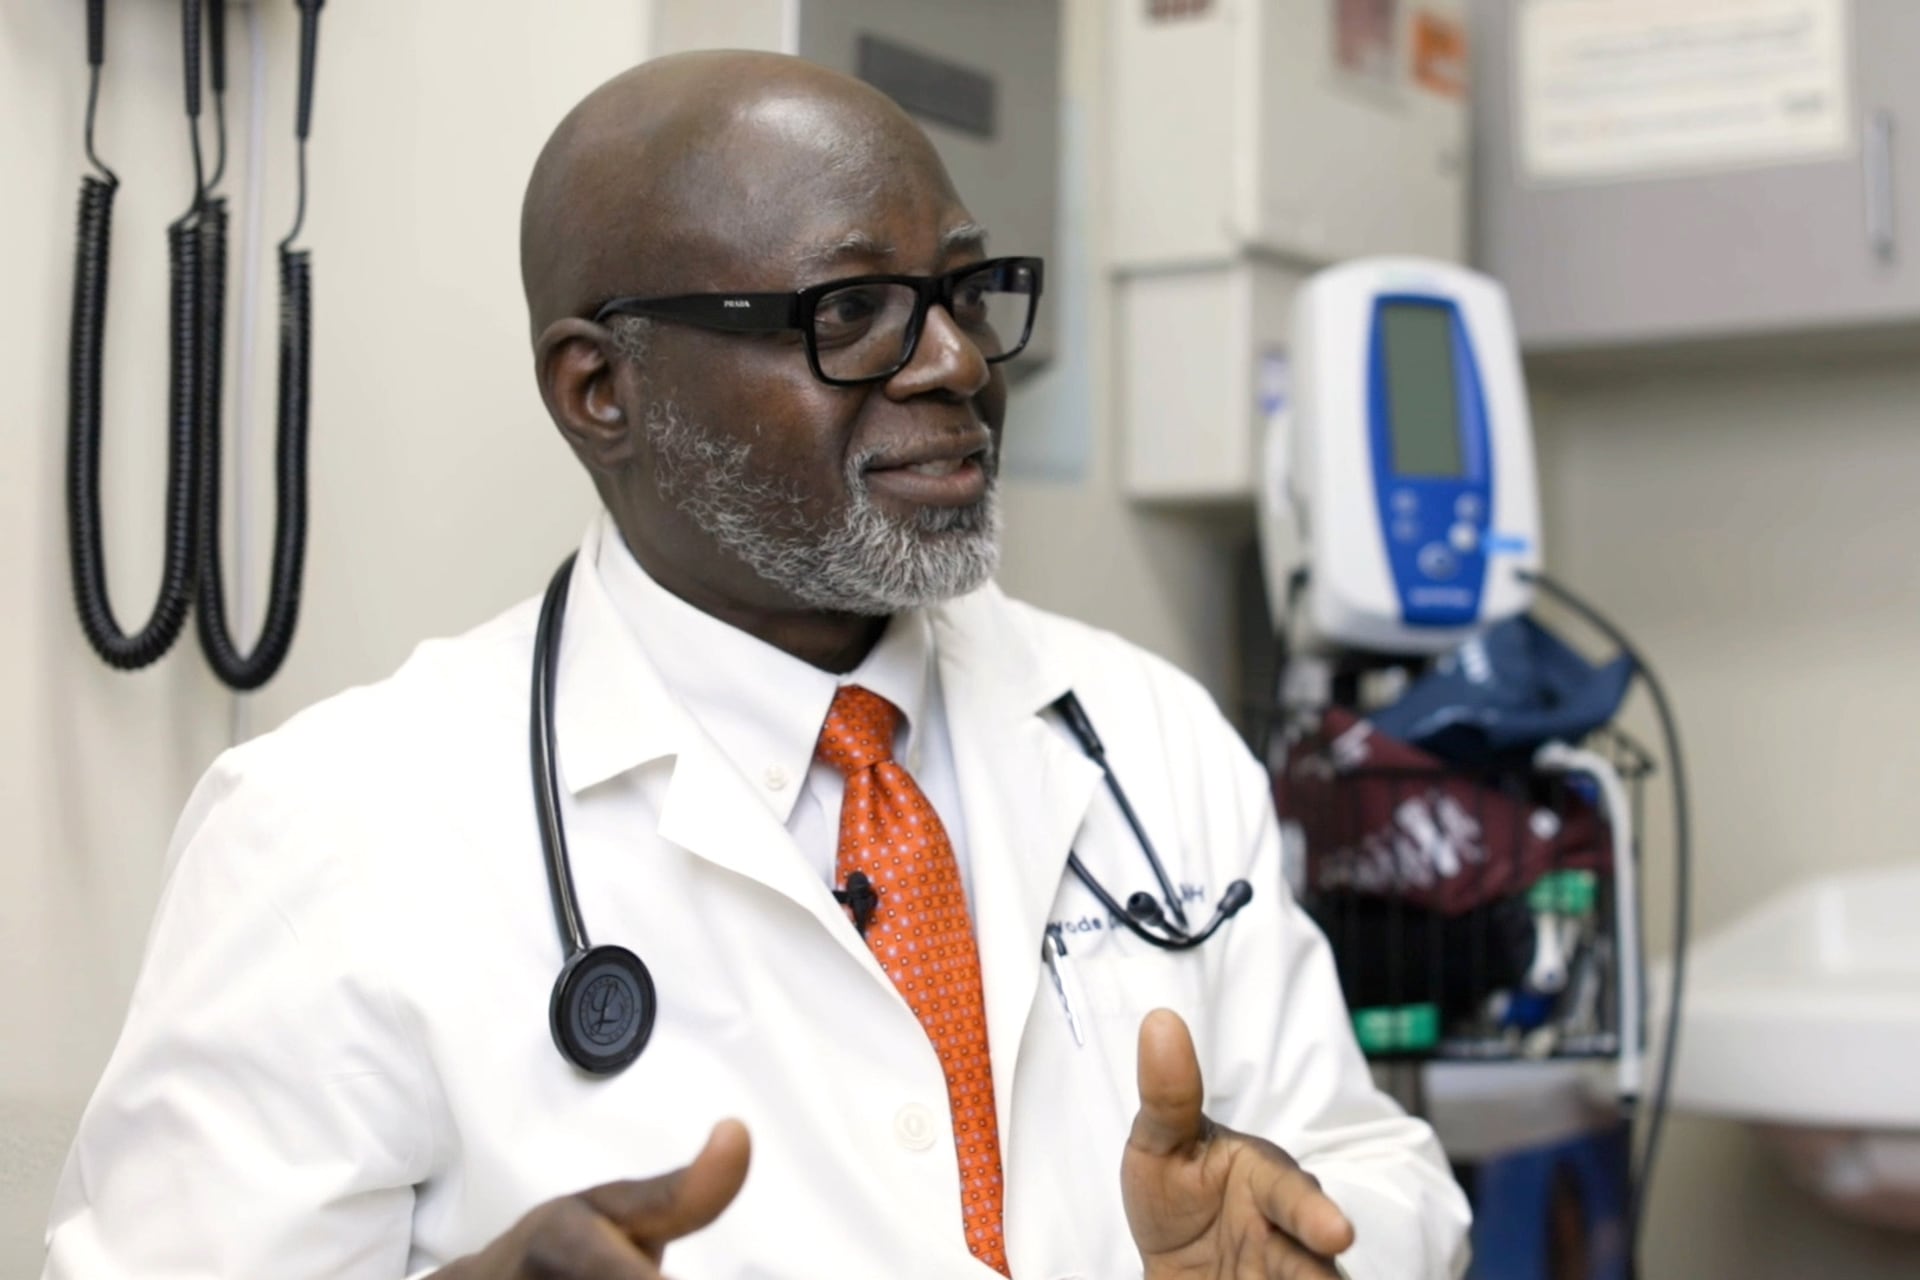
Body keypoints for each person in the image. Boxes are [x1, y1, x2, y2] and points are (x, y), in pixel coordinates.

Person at [43, 51, 1470, 1279]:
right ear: (602, 390)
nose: (958, 363)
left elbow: (1370, 1160)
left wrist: (1320, 1241)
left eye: (967, 295)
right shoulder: (331, 835)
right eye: (850, 312)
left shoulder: (1141, 732)